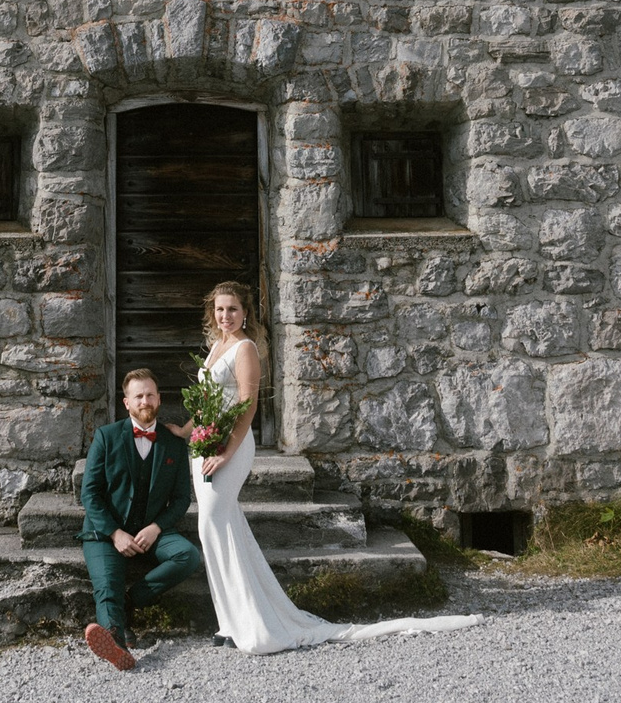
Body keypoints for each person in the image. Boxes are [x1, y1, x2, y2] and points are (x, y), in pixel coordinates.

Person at [192, 280, 482, 654]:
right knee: (221, 527)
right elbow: (207, 399)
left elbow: (247, 406)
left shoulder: (245, 349)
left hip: (230, 449)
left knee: (212, 523)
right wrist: (192, 434)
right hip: (206, 447)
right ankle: (229, 621)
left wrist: (226, 451)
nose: (225, 316)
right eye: (219, 309)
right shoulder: (217, 346)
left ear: (245, 312)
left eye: (232, 309)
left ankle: (249, 622)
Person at [79, 366, 200, 672]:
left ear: (159, 399)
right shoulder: (106, 437)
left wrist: (157, 527)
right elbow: (90, 494)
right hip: (106, 532)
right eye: (138, 396)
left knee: (187, 556)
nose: (144, 401)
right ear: (127, 403)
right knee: (107, 586)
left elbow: (182, 498)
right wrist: (115, 533)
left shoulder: (174, 443)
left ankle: (132, 601)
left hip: (152, 530)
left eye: (150, 395)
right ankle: (116, 641)